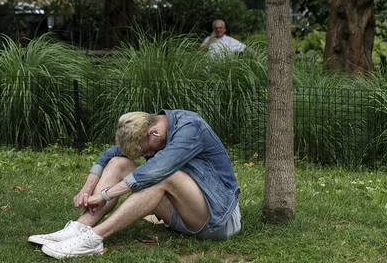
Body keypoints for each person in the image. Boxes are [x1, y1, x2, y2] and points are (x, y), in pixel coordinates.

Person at [28, 110, 242, 259]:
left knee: (162, 175)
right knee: (117, 162)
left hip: (219, 218)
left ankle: (93, 239)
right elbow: (106, 156)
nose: (148, 155)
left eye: (146, 152)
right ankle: (80, 228)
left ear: (153, 133)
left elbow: (157, 170)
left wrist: (104, 195)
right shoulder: (150, 130)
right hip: (183, 214)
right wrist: (86, 190)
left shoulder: (191, 127)